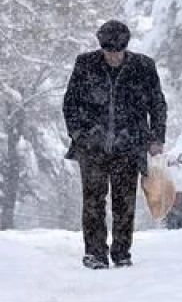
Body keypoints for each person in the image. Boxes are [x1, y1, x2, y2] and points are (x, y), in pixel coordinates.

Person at [63, 20, 167, 269]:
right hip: (93, 147)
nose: (113, 57)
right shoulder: (85, 65)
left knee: (124, 201)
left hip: (128, 145)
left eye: (118, 52)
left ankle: (122, 252)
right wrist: (80, 135)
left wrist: (156, 138)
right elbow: (70, 103)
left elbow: (157, 104)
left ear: (125, 48)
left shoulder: (143, 67)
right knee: (93, 201)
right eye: (109, 52)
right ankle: (95, 253)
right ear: (101, 48)